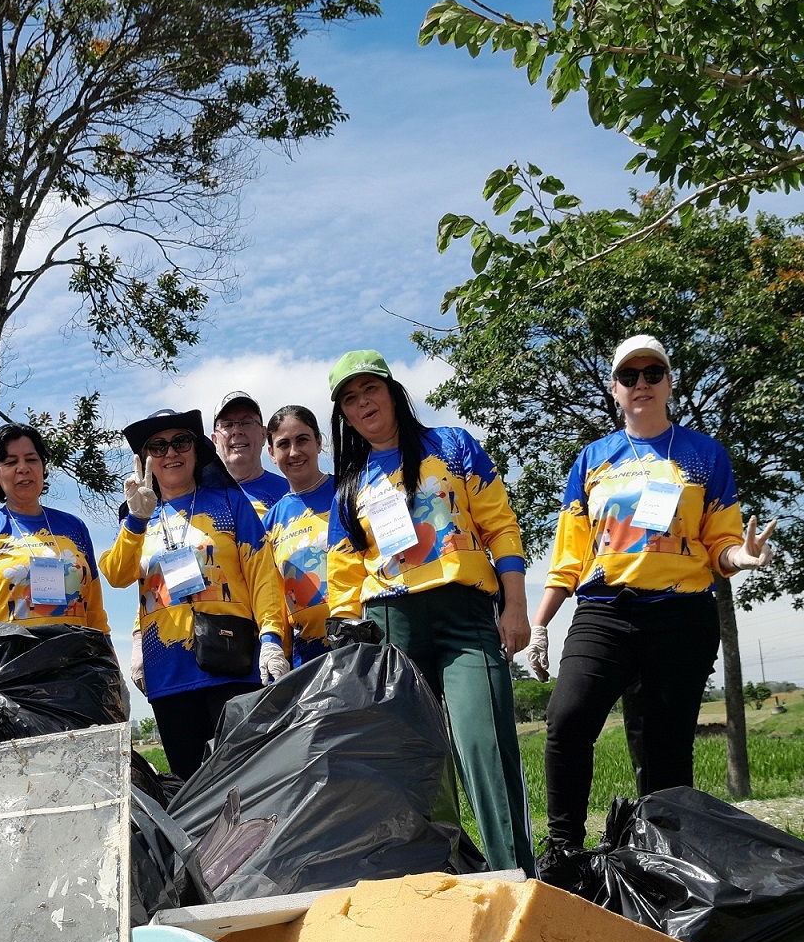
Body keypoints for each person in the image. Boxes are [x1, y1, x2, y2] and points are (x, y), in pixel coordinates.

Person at [527, 334, 776, 866]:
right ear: (614, 388)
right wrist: (541, 624)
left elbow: (721, 544)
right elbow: (570, 555)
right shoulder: (593, 459)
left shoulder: (704, 455)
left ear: (669, 383)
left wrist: (743, 557)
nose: (641, 383)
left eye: (652, 373)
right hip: (604, 612)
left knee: (665, 751)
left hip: (681, 617)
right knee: (568, 720)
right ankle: (563, 851)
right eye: (629, 376)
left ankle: (663, 860)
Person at [324, 349, 534, 873]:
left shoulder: (454, 446)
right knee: (420, 765)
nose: (362, 403)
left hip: (465, 616)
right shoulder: (348, 486)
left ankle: (517, 880)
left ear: (392, 391)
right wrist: (349, 651)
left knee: (484, 745)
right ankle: (444, 883)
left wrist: (515, 605)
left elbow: (500, 526)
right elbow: (343, 579)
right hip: (390, 627)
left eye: (370, 389)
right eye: (349, 399)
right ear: (343, 415)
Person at [102, 409, 291, 779]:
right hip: (168, 670)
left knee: (246, 780)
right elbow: (117, 575)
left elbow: (263, 575)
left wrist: (271, 637)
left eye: (181, 442)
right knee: (190, 785)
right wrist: (136, 521)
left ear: (197, 449)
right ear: (145, 459)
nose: (171, 452)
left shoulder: (230, 503)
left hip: (233, 663)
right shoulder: (138, 517)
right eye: (158, 446)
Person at [0, 424, 109, 643]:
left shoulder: (74, 527)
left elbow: (95, 613)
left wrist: (109, 656)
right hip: (8, 660)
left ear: (43, 466)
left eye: (32, 459)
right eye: (11, 462)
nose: (23, 468)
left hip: (76, 659)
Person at [260, 405, 336, 666]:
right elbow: (273, 598)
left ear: (318, 442)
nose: (294, 452)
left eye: (302, 440)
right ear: (271, 453)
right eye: (283, 444)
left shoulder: (349, 491)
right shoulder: (269, 524)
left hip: (365, 642)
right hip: (307, 659)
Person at [212, 390, 289, 516]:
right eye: (227, 424)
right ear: (214, 440)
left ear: (263, 435)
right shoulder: (199, 500)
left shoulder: (291, 494)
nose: (237, 431)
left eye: (246, 423)